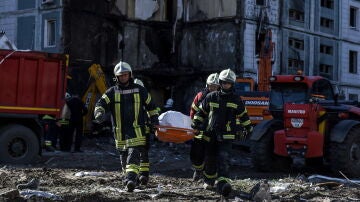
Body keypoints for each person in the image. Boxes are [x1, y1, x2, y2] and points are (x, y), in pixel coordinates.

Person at [94, 61, 159, 192]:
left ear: (130, 75)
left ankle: (130, 179)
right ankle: (128, 179)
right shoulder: (112, 92)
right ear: (116, 77)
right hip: (119, 132)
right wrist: (99, 113)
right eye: (121, 75)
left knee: (133, 154)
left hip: (137, 130)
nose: (123, 77)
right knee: (124, 158)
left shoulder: (140, 90)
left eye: (125, 75)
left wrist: (154, 121)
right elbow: (100, 103)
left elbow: (151, 106)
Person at [191, 68, 253, 197]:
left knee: (224, 159)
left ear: (232, 84)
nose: (226, 85)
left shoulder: (236, 100)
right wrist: (196, 123)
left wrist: (248, 129)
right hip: (210, 135)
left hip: (227, 137)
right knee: (210, 159)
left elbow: (243, 116)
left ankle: (223, 184)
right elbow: (201, 112)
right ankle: (209, 181)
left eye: (228, 83)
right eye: (224, 82)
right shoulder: (211, 96)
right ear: (220, 82)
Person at [189, 73, 220, 181]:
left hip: (213, 131)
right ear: (207, 85)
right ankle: (198, 171)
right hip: (199, 129)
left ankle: (209, 177)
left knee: (211, 155)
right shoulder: (200, 96)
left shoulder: (221, 98)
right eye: (212, 85)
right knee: (196, 153)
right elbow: (193, 111)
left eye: (216, 86)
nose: (213, 88)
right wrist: (194, 125)